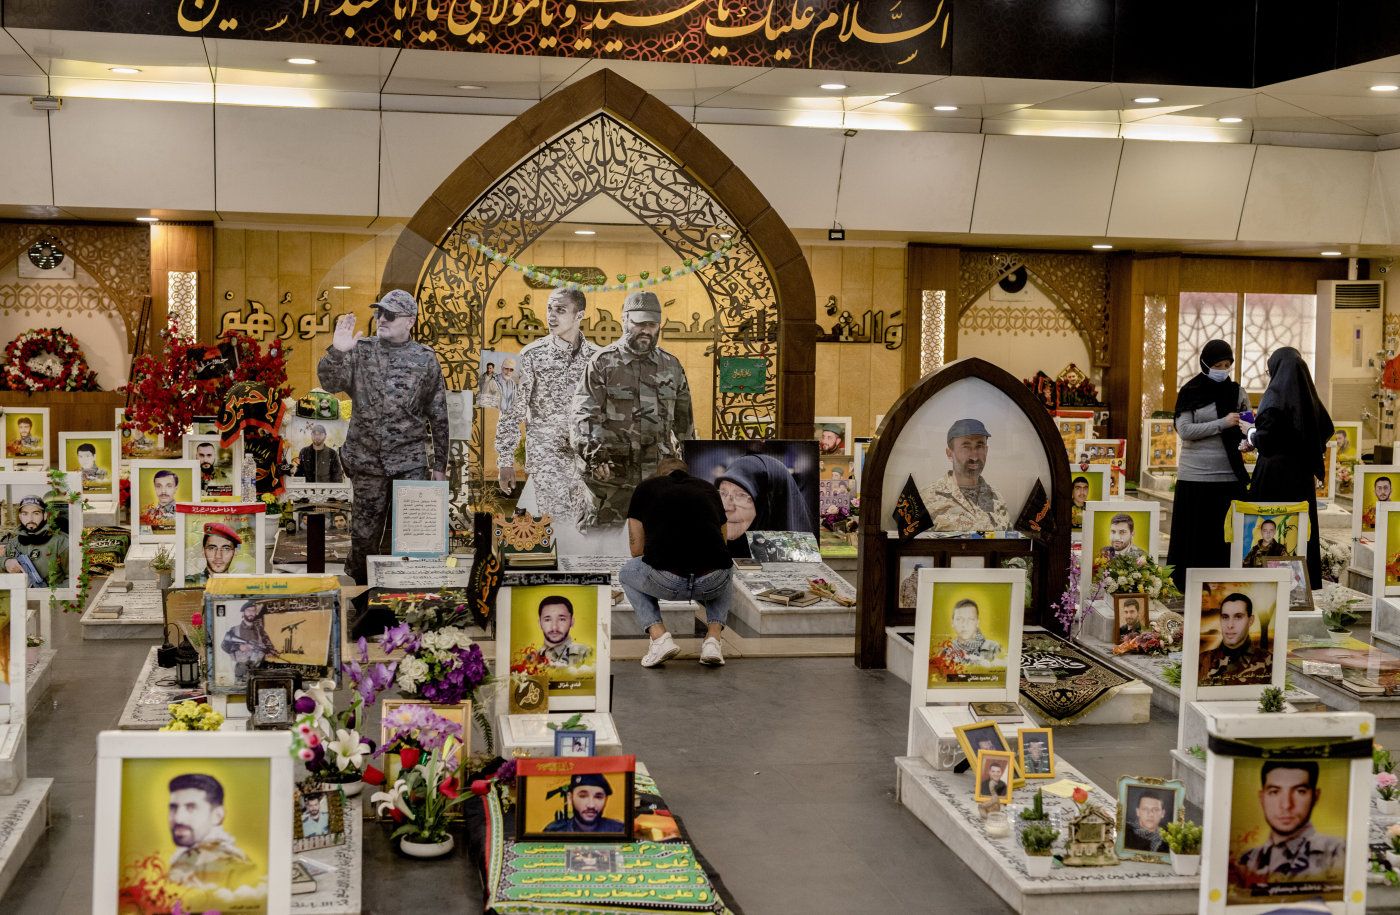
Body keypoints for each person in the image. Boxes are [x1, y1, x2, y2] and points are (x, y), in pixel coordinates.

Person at [317, 289, 449, 584]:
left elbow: (438, 413)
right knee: (364, 538)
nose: (382, 319)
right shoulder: (360, 350)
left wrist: (440, 465)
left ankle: (408, 597)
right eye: (379, 313)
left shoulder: (425, 359)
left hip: (409, 463)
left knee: (413, 539)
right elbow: (330, 383)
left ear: (410, 321)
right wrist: (337, 351)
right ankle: (364, 597)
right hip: (367, 462)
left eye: (390, 314)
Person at [572, 291, 695, 528]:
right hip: (610, 481)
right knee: (601, 544)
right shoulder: (602, 363)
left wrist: (688, 467)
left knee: (659, 542)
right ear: (624, 320)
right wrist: (595, 456)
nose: (646, 330)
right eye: (639, 323)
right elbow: (583, 415)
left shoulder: (672, 366)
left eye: (652, 324)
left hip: (659, 480)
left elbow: (685, 424)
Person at [496, 288, 599, 524]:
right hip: (547, 462)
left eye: (560, 310)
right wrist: (505, 460)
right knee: (556, 530)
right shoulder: (530, 355)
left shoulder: (596, 358)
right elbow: (511, 412)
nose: (551, 316)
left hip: (587, 463)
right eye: (549, 309)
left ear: (579, 315)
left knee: (586, 532)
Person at [620, 457, 734, 668]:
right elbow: (723, 543)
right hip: (712, 582)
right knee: (724, 564)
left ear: (660, 475)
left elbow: (636, 550)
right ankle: (713, 640)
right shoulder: (708, 489)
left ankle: (659, 637)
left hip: (667, 581)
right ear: (687, 473)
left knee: (627, 573)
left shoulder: (645, 489)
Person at [1245, 347, 1333, 588]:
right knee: (1298, 528)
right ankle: (1300, 585)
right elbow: (1325, 429)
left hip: (1273, 475)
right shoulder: (1309, 398)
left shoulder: (1274, 397)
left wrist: (1250, 433)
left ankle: (1264, 581)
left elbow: (1267, 440)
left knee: (1269, 525)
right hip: (1300, 477)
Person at [1167, 339, 1251, 590]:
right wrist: (1222, 423)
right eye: (1217, 365)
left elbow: (1250, 426)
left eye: (1226, 365)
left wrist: (1249, 438)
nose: (1222, 370)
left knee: (1223, 539)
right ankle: (1190, 587)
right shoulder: (1190, 391)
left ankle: (1223, 587)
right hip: (1196, 476)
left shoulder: (1237, 392)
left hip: (1229, 477)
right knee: (1195, 538)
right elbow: (1185, 430)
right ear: (1205, 364)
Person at [1234, 761, 1346, 888]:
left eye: (1300, 791)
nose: (1286, 805)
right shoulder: (1247, 860)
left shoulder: (1338, 852)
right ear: (1262, 798)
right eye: (1274, 792)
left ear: (1315, 797)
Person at [166, 773, 257, 890]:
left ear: (217, 816)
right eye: (173, 808)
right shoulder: (182, 860)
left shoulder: (236, 868)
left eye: (191, 808)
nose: (178, 818)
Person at [715, 453, 815, 558]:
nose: (726, 507)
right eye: (723, 493)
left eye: (741, 495)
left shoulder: (798, 558)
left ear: (772, 503)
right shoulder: (711, 549)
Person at [923, 419, 1009, 532]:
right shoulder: (927, 499)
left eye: (979, 446)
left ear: (986, 450)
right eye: (966, 447)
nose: (974, 456)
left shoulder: (996, 498)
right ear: (949, 454)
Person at [1199, 592, 1270, 686]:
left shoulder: (1269, 661)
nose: (1230, 625)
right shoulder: (1202, 660)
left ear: (1250, 621)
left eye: (1238, 617)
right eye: (1225, 617)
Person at [1, 495, 69, 588]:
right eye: (25, 514)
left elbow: (75, 579)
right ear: (20, 516)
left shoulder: (60, 542)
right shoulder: (13, 543)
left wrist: (49, 593)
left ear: (45, 515)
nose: (30, 519)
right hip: (20, 596)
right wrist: (5, 562)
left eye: (36, 513)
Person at [542, 773, 625, 834]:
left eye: (598, 797)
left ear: (606, 800)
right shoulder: (554, 832)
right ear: (570, 798)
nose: (591, 805)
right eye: (583, 796)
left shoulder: (619, 830)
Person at [220, 600, 276, 681]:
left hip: (258, 669)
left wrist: (269, 652)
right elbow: (224, 646)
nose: (251, 613)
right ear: (243, 613)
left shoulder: (260, 631)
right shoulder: (234, 630)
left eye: (253, 610)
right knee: (241, 689)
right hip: (242, 670)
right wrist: (239, 647)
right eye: (248, 610)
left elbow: (269, 646)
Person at [936, 598, 1002, 666]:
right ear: (952, 623)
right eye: (959, 619)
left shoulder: (994, 648)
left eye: (970, 619)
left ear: (977, 623)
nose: (965, 624)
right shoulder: (945, 652)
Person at [537, 594, 592, 668]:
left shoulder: (587, 654)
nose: (554, 627)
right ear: (539, 623)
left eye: (562, 619)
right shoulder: (531, 659)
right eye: (547, 620)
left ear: (572, 622)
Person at [1123, 788, 1170, 853]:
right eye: (1145, 809)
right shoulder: (1124, 832)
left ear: (1162, 813)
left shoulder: (1170, 838)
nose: (1150, 814)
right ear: (1138, 812)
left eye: (1156, 809)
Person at [141, 469, 181, 535]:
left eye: (169, 486)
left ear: (175, 489)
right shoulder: (148, 514)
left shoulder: (182, 513)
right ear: (155, 488)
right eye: (158, 486)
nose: (163, 491)